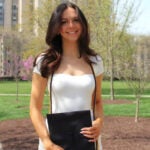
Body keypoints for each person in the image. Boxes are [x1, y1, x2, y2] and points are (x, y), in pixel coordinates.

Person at [30, 1, 104, 150]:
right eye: (64, 22)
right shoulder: (45, 61)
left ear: (82, 24)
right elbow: (34, 108)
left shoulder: (95, 61)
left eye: (76, 20)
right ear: (56, 27)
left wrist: (99, 122)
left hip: (88, 141)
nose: (71, 25)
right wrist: (47, 142)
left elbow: (97, 101)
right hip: (54, 142)